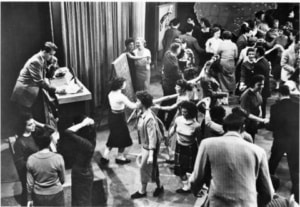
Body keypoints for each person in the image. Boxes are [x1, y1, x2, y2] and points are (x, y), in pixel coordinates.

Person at [189, 113, 274, 207]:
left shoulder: (207, 144)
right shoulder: (259, 151)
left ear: (224, 127)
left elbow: (195, 178)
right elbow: (268, 193)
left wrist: (196, 191)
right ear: (243, 127)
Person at [11, 42, 65, 124]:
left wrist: (53, 65)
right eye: (51, 54)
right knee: (25, 121)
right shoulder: (36, 61)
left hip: (31, 90)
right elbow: (40, 81)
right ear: (44, 51)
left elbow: (48, 75)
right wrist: (56, 90)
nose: (52, 57)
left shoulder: (42, 59)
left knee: (31, 120)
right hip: (23, 93)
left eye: (53, 55)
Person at [266, 85, 299, 202]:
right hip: (295, 141)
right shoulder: (297, 106)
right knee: (295, 170)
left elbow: (272, 126)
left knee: (271, 166)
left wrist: (266, 124)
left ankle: (268, 192)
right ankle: (297, 197)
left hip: (280, 141)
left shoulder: (275, 107)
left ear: (279, 94)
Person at [13, 114, 54, 206]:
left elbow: (51, 130)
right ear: (23, 126)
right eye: (30, 125)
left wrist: (36, 122)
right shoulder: (20, 142)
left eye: (33, 123)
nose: (33, 126)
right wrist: (35, 162)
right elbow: (19, 163)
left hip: (38, 170)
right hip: (29, 173)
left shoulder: (35, 133)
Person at [131, 91, 164, 199]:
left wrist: (150, 154)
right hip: (146, 144)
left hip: (150, 146)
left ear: (143, 103)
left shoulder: (149, 117)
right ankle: (159, 186)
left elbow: (152, 137)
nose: (136, 102)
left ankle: (142, 191)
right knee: (153, 167)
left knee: (143, 167)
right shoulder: (142, 112)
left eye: (138, 101)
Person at [101, 77, 138, 165]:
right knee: (123, 138)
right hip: (119, 118)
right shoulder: (121, 97)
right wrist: (139, 103)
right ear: (120, 86)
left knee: (113, 136)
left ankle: (105, 156)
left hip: (112, 116)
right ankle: (120, 157)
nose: (125, 84)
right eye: (124, 83)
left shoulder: (110, 93)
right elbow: (132, 106)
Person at [168, 101, 201, 194]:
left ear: (191, 112)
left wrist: (201, 153)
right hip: (179, 147)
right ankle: (186, 187)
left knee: (191, 169)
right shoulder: (178, 119)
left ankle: (192, 183)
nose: (183, 113)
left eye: (185, 112)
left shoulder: (196, 126)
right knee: (180, 169)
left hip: (191, 148)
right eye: (182, 111)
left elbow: (199, 140)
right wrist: (169, 136)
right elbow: (173, 128)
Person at [26, 132, 65, 207]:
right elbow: (62, 180)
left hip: (39, 195)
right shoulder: (58, 157)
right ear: (49, 142)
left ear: (36, 143)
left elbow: (29, 184)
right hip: (56, 193)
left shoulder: (31, 159)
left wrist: (29, 198)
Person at [64, 116, 96, 206]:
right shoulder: (88, 138)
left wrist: (82, 124)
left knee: (82, 201)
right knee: (78, 199)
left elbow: (68, 132)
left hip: (82, 174)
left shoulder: (86, 143)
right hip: (81, 172)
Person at [158, 42, 182, 130]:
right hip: (171, 85)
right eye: (180, 49)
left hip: (164, 82)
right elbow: (178, 76)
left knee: (165, 100)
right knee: (174, 105)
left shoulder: (167, 53)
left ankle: (159, 118)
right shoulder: (174, 65)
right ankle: (167, 124)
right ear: (177, 50)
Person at [240, 75, 265, 141]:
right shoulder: (246, 96)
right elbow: (246, 113)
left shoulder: (258, 92)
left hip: (253, 122)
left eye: (262, 84)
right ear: (253, 84)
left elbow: (259, 103)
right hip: (247, 123)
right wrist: (260, 120)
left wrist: (260, 113)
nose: (262, 87)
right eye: (259, 85)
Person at [253, 46, 271, 118]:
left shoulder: (258, 64)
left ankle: (259, 120)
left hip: (260, 88)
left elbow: (257, 78)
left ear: (258, 53)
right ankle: (262, 119)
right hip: (266, 87)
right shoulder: (265, 61)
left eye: (255, 52)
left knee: (258, 105)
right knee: (263, 106)